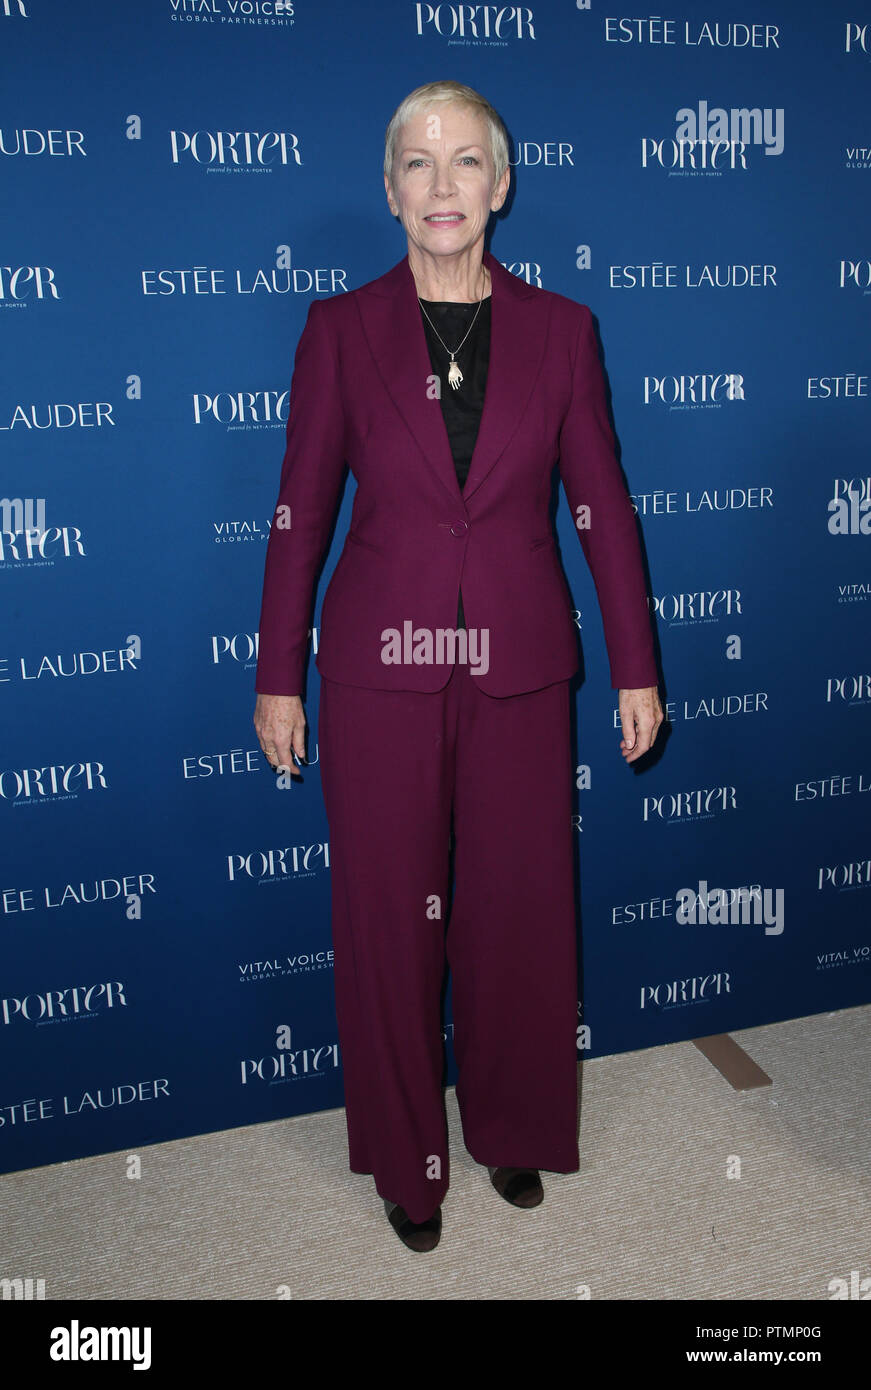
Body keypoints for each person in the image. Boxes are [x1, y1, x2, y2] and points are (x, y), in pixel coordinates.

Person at [253, 80, 663, 1253]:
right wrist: (279, 673)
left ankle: (514, 1126)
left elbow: (604, 508)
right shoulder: (338, 331)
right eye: (419, 165)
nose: (443, 186)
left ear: (502, 185)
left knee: (519, 912)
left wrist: (635, 662)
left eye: (466, 162)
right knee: (387, 920)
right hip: (380, 670)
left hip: (522, 668)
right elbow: (299, 513)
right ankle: (406, 1160)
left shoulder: (565, 331)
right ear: (390, 192)